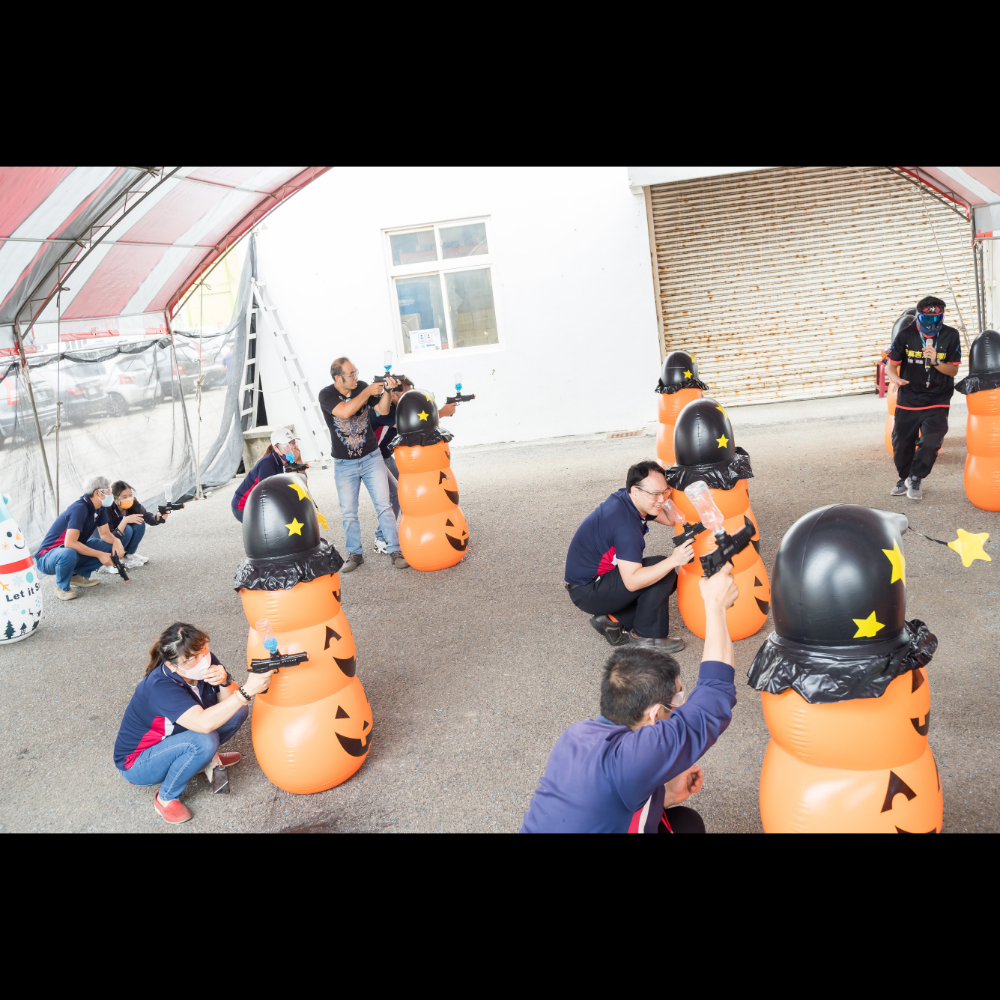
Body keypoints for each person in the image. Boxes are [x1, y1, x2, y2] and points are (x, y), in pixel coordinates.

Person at [521, 565, 739, 833]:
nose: (682, 706)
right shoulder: (629, 761)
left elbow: (596, 804)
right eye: (678, 699)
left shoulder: (574, 736)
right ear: (654, 713)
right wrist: (715, 606)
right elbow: (715, 694)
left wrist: (664, 794)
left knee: (686, 824)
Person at [113, 622, 273, 824]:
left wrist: (224, 681)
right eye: (190, 659)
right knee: (204, 740)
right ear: (172, 665)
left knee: (237, 710)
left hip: (179, 736)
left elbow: (230, 701)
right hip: (138, 762)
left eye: (203, 651)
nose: (202, 661)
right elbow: (204, 724)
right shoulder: (160, 687)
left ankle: (202, 759)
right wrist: (246, 691)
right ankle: (166, 798)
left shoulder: (203, 661)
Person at [564, 460, 695, 651]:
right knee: (664, 572)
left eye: (664, 491)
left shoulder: (628, 499)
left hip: (590, 583)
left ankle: (611, 621)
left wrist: (670, 489)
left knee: (660, 570)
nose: (661, 499)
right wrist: (674, 560)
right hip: (588, 590)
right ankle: (646, 637)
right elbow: (632, 582)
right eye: (655, 494)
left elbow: (671, 519)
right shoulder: (627, 527)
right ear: (635, 491)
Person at [317, 357, 408, 571]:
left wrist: (386, 391)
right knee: (348, 512)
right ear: (338, 378)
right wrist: (367, 392)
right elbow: (345, 412)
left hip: (371, 457)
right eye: (351, 374)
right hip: (344, 463)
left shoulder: (363, 387)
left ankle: (395, 550)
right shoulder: (327, 394)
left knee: (384, 506)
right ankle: (355, 554)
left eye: (356, 372)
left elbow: (383, 411)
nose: (356, 377)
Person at [886, 295, 961, 501]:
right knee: (901, 442)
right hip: (909, 397)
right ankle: (905, 477)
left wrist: (936, 361)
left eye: (936, 320)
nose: (931, 324)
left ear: (942, 317)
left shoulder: (951, 335)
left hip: (938, 397)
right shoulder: (905, 335)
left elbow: (953, 372)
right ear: (919, 316)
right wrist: (895, 379)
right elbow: (890, 365)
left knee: (931, 442)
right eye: (927, 320)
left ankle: (916, 476)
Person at [35, 475, 125, 601]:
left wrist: (117, 541)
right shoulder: (79, 509)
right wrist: (100, 555)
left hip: (69, 551)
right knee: (69, 552)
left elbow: (105, 534)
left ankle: (75, 576)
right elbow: (70, 543)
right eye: (108, 489)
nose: (111, 493)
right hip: (47, 556)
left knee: (109, 547)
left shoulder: (100, 508)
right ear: (98, 493)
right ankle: (61, 587)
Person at [231, 427, 304, 522]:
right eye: (287, 445)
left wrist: (299, 461)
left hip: (261, 502)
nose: (293, 447)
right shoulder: (267, 464)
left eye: (293, 443)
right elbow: (267, 496)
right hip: (244, 506)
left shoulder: (287, 459)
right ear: (276, 449)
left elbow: (301, 483)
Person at [94, 481, 169, 571]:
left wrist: (158, 517)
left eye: (130, 495)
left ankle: (129, 555)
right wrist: (125, 521)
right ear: (115, 499)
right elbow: (107, 536)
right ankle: (109, 562)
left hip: (118, 537)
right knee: (127, 529)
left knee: (139, 522)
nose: (129, 499)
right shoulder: (106, 509)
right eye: (124, 497)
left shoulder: (133, 503)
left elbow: (146, 516)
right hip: (101, 544)